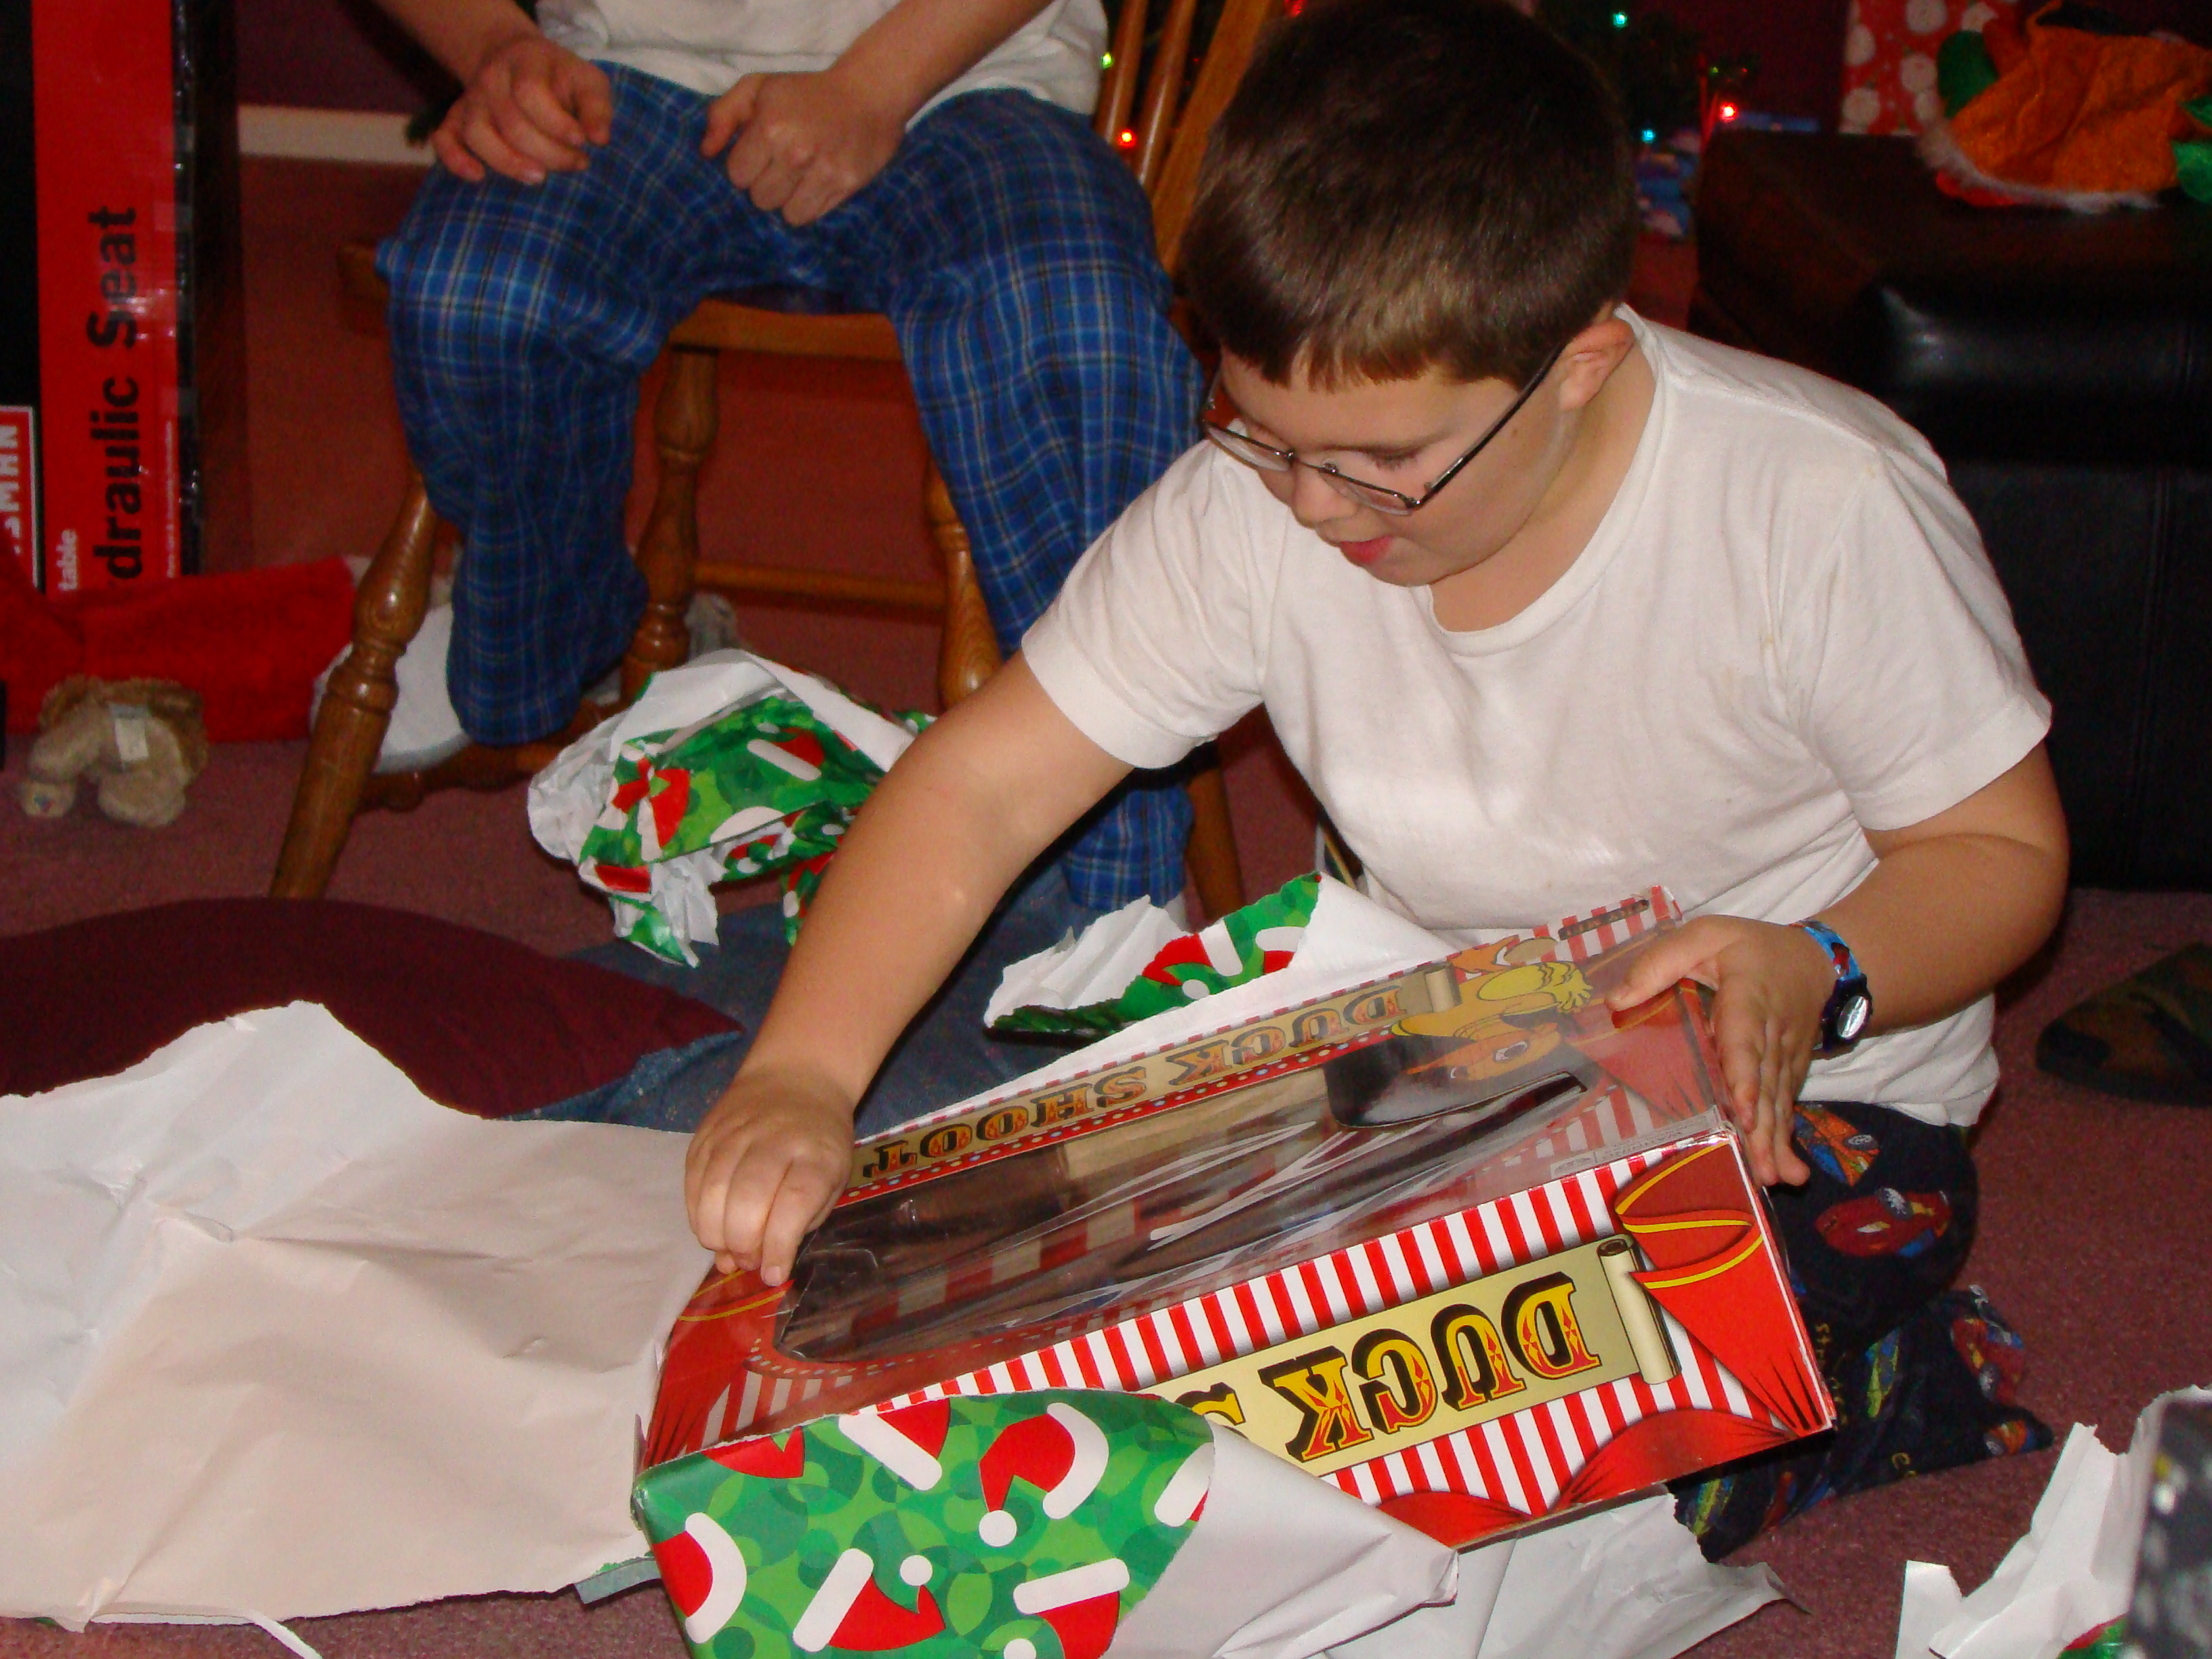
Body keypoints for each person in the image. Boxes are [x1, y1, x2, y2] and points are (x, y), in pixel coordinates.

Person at [683, 0, 2070, 1553]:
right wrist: (802, 1076)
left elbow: (2003, 854)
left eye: (1380, 466)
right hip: (1429, 1075)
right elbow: (984, 788)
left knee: (1502, 1495)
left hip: (1806, 1118)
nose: (1313, 505)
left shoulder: (1815, 503)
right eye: (1263, 432)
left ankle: (1897, 1387)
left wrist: (1818, 964)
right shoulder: (1259, 501)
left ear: (1581, 362)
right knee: (1157, 1393)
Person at [368, 0, 1204, 933]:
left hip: (972, 78)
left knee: (1074, 333)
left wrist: (873, 85)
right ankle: (573, 631)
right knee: (480, 299)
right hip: (618, 76)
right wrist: (497, 46)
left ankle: (1120, 893)